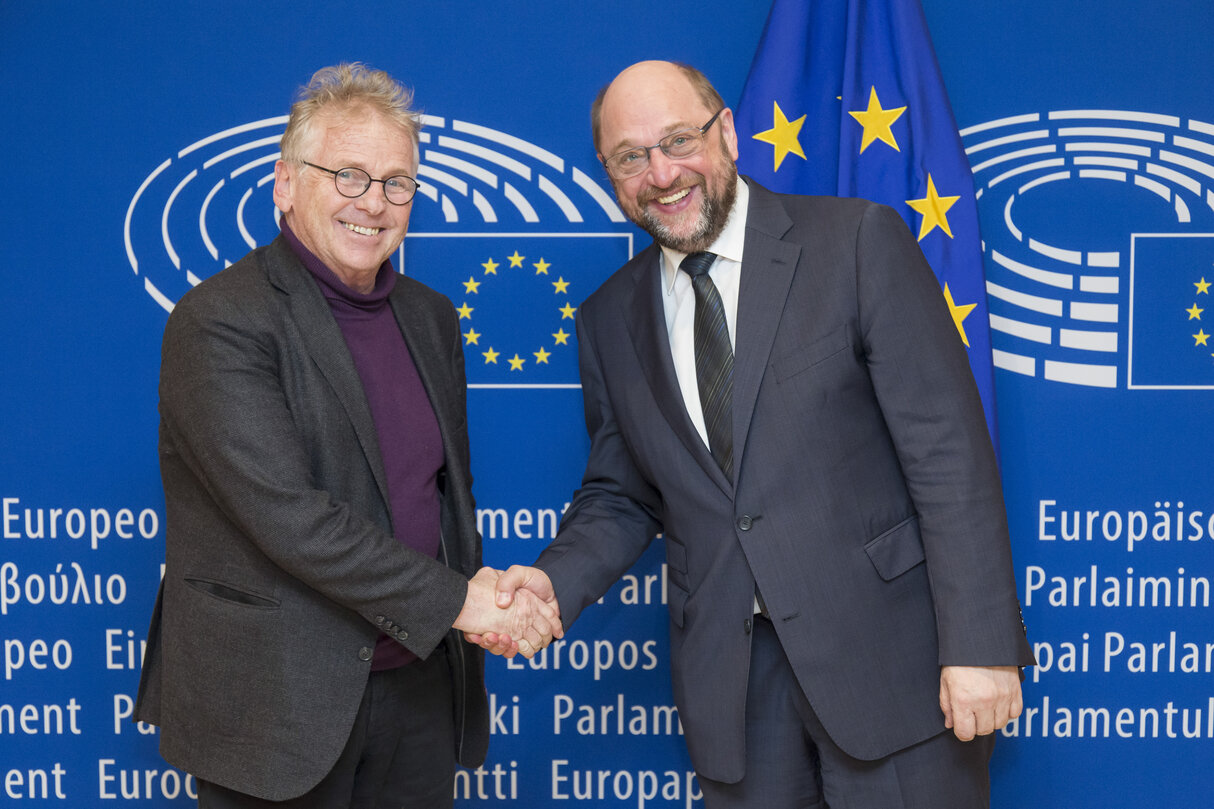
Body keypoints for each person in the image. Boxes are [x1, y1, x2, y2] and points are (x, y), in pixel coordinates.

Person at [476, 60, 1035, 808]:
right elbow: (623, 493)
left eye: (679, 140)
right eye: (631, 157)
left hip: (893, 673)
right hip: (737, 699)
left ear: (728, 133)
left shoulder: (857, 243)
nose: (662, 173)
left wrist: (981, 647)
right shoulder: (609, 318)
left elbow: (950, 456)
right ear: (609, 174)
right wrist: (548, 583)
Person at [134, 63, 558, 809]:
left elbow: (441, 496)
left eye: (398, 182)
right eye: (350, 175)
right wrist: (463, 602)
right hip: (278, 707)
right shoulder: (219, 321)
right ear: (286, 183)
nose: (376, 202)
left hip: (418, 689)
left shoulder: (430, 317)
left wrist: (477, 585)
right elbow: (290, 521)